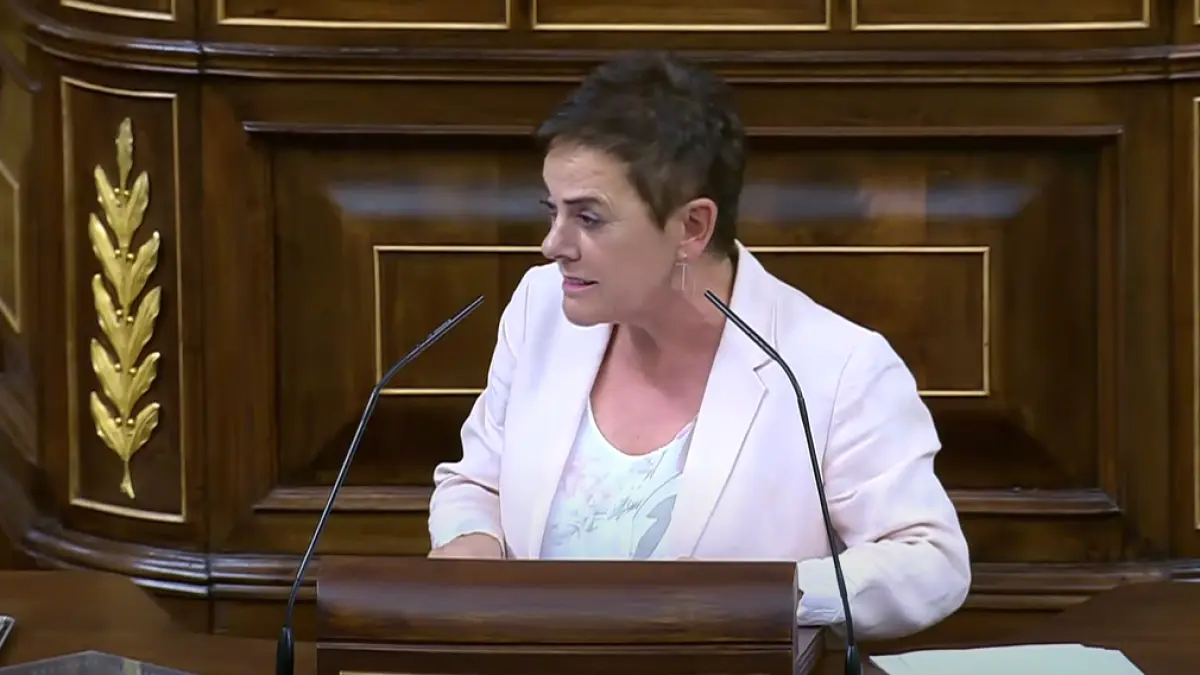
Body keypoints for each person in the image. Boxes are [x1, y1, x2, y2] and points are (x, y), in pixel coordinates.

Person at [426, 50, 970, 640]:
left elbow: (929, 561)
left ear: (692, 227)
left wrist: (755, 600)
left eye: (589, 218)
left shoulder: (836, 367)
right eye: (552, 211)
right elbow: (477, 482)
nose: (553, 245)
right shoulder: (540, 309)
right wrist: (469, 547)